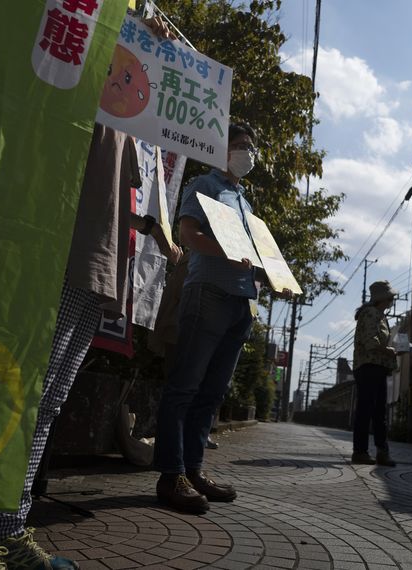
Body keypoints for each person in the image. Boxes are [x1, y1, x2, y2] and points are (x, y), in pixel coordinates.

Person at [0, 122, 181, 569]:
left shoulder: (131, 118)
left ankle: (9, 530)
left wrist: (150, 226)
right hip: (57, 255)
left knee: (45, 406)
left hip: (97, 264)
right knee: (16, 399)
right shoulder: (92, 81)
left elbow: (108, 200)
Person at [152, 123, 263, 515]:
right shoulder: (205, 185)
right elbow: (187, 235)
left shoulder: (244, 201)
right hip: (209, 294)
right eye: (240, 145)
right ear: (221, 150)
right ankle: (171, 474)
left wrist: (272, 276)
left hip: (240, 301)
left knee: (212, 393)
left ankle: (193, 470)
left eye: (251, 146)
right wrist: (226, 253)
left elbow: (251, 253)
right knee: (184, 386)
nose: (248, 152)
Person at [350, 280, 398, 467]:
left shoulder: (378, 314)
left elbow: (375, 342)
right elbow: (372, 343)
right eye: (391, 296)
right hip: (370, 366)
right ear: (383, 298)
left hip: (375, 366)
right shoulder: (371, 314)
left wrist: (391, 349)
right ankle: (361, 451)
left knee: (377, 411)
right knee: (369, 410)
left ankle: (380, 452)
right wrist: (392, 350)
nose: (393, 299)